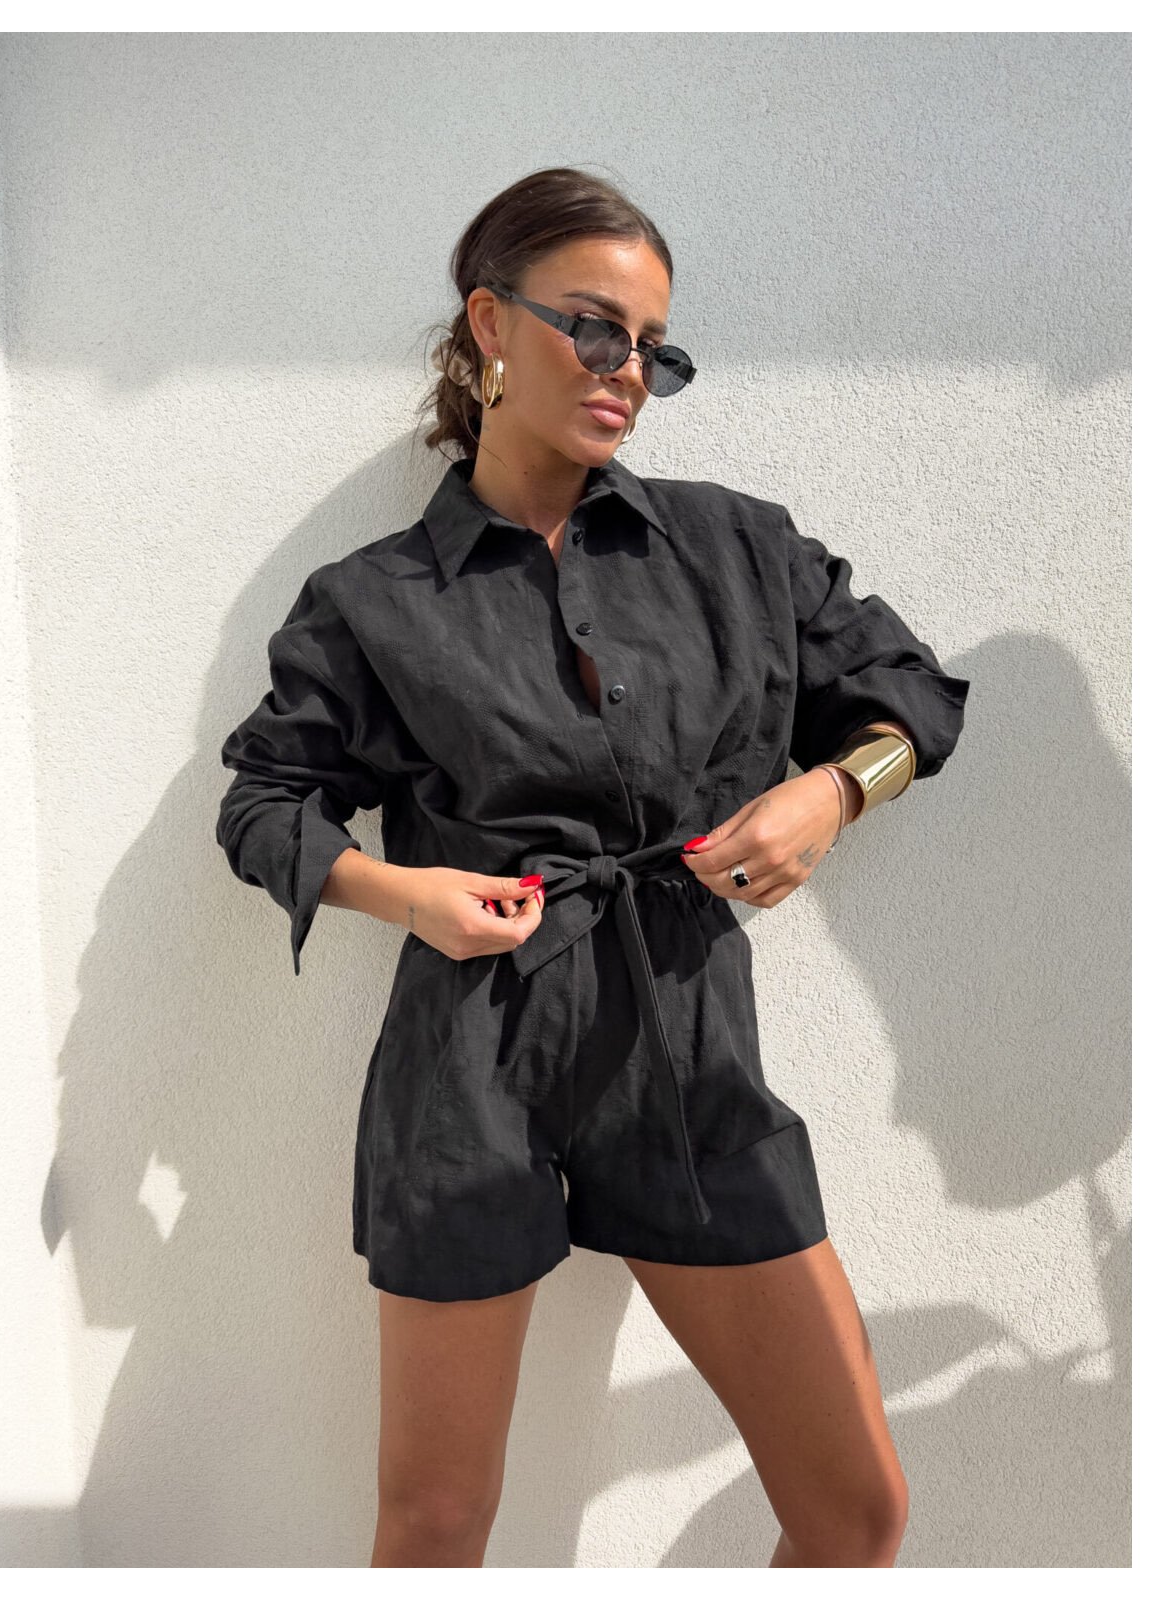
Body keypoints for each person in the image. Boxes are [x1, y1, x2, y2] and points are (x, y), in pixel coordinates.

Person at [215, 166, 970, 1568]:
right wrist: (405, 895)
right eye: (597, 327)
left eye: (655, 348)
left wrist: (829, 794)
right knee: (436, 1523)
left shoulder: (738, 551)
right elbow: (265, 800)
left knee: (856, 1509)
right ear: (489, 324)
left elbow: (912, 696)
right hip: (471, 1064)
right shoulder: (377, 602)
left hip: (691, 1048)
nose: (628, 370)